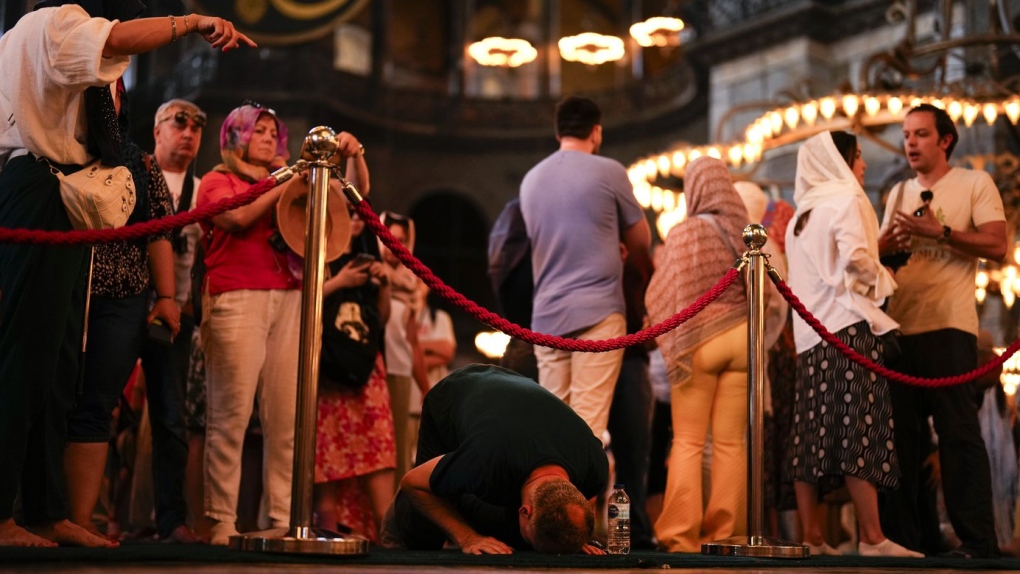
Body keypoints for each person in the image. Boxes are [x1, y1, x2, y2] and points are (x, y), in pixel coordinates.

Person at [0, 0, 253, 547]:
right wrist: (194, 23)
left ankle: (46, 510)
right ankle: (3, 515)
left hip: (60, 192)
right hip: (40, 189)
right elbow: (117, 40)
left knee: (59, 363)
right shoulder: (55, 21)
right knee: (27, 357)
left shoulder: (30, 32)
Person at [196, 102, 368, 544]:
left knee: (287, 417)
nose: (270, 137)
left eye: (275, 131)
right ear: (236, 136)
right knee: (231, 414)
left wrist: (354, 156)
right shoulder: (220, 180)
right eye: (259, 130)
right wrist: (288, 178)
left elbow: (354, 209)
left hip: (292, 298)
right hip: (237, 296)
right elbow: (234, 218)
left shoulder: (297, 180)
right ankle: (221, 521)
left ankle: (280, 516)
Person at [877, 103, 1006, 559]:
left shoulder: (974, 183)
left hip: (949, 326)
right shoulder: (895, 194)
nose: (909, 142)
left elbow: (998, 246)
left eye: (921, 134)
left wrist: (942, 232)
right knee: (901, 443)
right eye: (906, 134)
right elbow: (877, 261)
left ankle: (978, 542)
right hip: (898, 329)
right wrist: (883, 247)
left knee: (957, 435)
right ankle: (908, 544)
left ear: (945, 140)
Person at [785, 130, 921, 558]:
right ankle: (873, 537)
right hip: (847, 329)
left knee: (812, 433)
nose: (862, 166)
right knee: (859, 430)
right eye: (858, 157)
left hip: (810, 337)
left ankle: (811, 536)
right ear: (841, 162)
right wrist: (884, 279)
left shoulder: (799, 216)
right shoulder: (845, 199)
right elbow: (856, 259)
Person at [63, 85, 178, 546]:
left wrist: (166, 296)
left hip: (124, 297)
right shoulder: (55, 150)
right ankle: (37, 512)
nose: (103, 99)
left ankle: (80, 519)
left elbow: (159, 234)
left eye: (111, 91)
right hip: (65, 292)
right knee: (46, 397)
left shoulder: (139, 160)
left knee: (98, 404)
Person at [519, 96, 653, 441]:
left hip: (547, 317)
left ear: (557, 131)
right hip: (598, 312)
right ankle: (577, 498)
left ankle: (547, 495)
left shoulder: (530, 180)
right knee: (586, 428)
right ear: (596, 132)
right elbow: (641, 242)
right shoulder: (609, 171)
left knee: (550, 428)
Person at [380, 364, 608, 555]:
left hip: (507, 393)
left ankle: (450, 479)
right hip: (454, 393)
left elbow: (587, 501)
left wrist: (576, 540)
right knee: (424, 538)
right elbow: (411, 481)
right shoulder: (485, 460)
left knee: (515, 540)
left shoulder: (594, 465)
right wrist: (467, 538)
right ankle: (425, 489)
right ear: (524, 511)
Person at [644, 156, 751, 552]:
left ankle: (680, 537)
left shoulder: (684, 232)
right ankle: (725, 536)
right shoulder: (746, 233)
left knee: (688, 441)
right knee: (730, 443)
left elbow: (661, 292)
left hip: (698, 341)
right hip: (741, 339)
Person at [138, 98, 207, 544]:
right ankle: (78, 511)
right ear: (157, 129)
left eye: (198, 126)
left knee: (171, 417)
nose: (188, 131)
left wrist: (191, 309)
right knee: (96, 406)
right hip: (125, 302)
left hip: (176, 316)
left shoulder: (204, 190)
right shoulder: (135, 176)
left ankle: (171, 520)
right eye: (179, 122)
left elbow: (207, 259)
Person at [313, 202, 396, 541]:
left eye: (360, 216)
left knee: (378, 448)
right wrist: (340, 281)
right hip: (329, 371)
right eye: (348, 214)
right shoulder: (319, 254)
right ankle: (328, 534)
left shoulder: (367, 258)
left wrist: (384, 284)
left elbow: (382, 320)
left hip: (366, 369)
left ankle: (389, 537)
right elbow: (302, 303)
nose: (356, 222)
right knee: (328, 455)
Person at [379, 211, 429, 491]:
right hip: (368, 368)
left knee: (397, 448)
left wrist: (425, 388)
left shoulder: (411, 286)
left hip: (397, 370)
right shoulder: (370, 273)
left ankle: (389, 522)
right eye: (389, 239)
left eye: (401, 240)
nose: (394, 246)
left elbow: (412, 342)